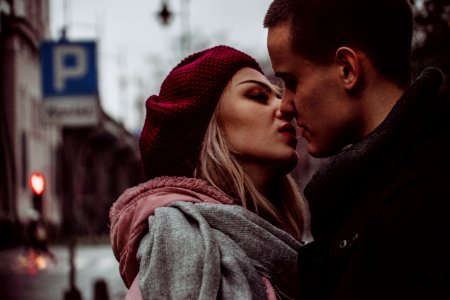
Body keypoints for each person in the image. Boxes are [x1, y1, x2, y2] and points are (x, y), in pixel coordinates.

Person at [263, 0, 450, 299]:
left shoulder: (421, 205)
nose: (285, 106)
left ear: (347, 69)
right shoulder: (394, 185)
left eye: (292, 81)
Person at [109, 45, 310, 299]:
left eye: (278, 95)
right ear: (208, 128)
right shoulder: (185, 245)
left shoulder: (267, 244)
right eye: (258, 96)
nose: (285, 107)